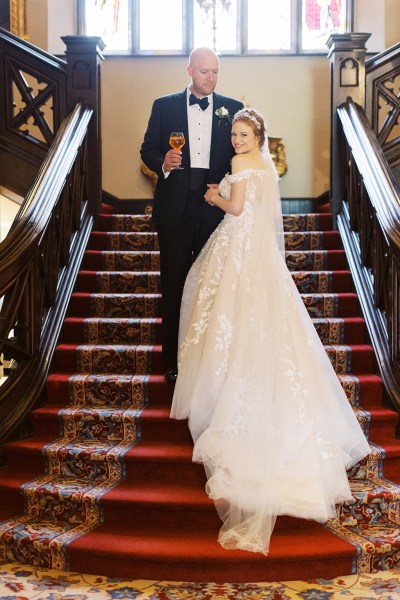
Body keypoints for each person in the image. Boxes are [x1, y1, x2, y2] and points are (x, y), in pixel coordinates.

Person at [170, 108, 370, 555]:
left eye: (244, 134)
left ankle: (226, 394)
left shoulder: (242, 166)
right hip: (257, 256)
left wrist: (213, 199)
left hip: (238, 251)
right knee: (257, 328)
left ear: (256, 135)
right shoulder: (264, 164)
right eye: (235, 135)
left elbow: (238, 209)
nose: (238, 140)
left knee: (225, 320)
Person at [140, 48, 244, 383]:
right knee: (174, 284)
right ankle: (172, 360)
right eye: (203, 72)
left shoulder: (234, 108)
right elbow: (148, 148)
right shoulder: (164, 105)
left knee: (210, 285)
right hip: (174, 207)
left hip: (213, 207)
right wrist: (163, 164)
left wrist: (225, 184)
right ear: (189, 70)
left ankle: (208, 358)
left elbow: (240, 155)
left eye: (215, 71)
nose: (210, 78)